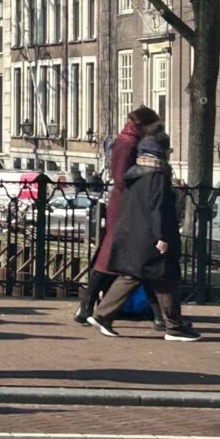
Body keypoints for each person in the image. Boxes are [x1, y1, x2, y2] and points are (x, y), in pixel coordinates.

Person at [87, 131, 200, 341]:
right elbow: (157, 208)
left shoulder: (134, 173)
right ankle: (174, 327)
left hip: (133, 233)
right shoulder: (157, 175)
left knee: (132, 275)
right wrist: (162, 236)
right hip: (150, 235)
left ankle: (102, 315)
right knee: (165, 277)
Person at [75, 106, 162, 327]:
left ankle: (88, 307)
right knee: (125, 255)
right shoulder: (127, 142)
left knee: (120, 255)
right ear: (144, 124)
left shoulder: (129, 139)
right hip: (126, 204)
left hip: (127, 203)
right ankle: (89, 307)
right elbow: (122, 177)